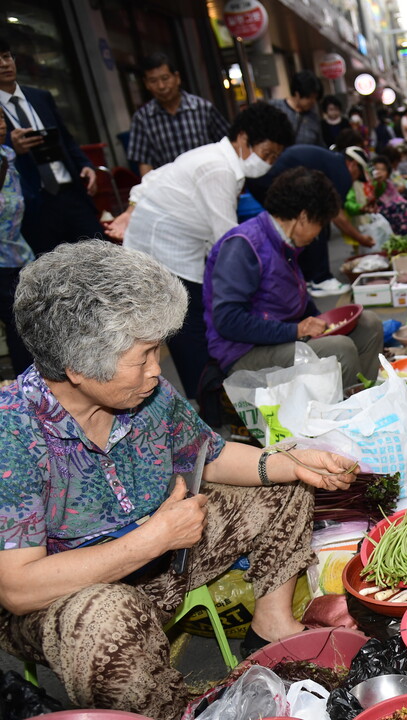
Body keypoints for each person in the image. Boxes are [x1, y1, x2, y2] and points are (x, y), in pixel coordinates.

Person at [0, 239, 360, 720]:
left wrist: (288, 463)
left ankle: (272, 621)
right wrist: (153, 538)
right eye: (144, 355)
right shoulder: (14, 434)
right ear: (79, 368)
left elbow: (207, 454)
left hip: (169, 551)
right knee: (108, 620)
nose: (157, 369)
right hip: (72, 604)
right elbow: (18, 588)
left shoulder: (145, 394)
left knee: (283, 484)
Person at [108, 102, 293, 400]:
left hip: (179, 249)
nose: (268, 162)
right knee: (189, 327)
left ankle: (207, 402)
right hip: (166, 253)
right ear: (244, 138)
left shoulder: (218, 158)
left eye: (274, 157)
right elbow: (229, 240)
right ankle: (205, 406)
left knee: (192, 323)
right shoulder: (217, 168)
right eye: (266, 153)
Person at [205, 168, 384, 387]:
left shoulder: (284, 243)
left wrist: (320, 323)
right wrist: (296, 330)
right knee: (339, 349)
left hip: (284, 336)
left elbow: (297, 302)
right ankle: (345, 414)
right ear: (303, 216)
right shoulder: (244, 245)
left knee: (369, 324)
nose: (318, 234)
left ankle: (364, 394)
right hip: (244, 352)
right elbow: (227, 320)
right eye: (320, 225)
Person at [0, 36, 103, 256]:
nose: (4, 64)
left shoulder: (40, 97)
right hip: (35, 204)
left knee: (101, 258)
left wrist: (85, 165)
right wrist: (11, 146)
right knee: (50, 274)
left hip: (70, 192)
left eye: (6, 56)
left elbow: (66, 140)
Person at [245, 142, 376, 296]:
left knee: (307, 224)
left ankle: (307, 277)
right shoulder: (342, 172)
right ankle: (321, 279)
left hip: (270, 182)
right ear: (353, 164)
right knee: (318, 220)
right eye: (358, 175)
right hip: (274, 183)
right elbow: (336, 215)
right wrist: (360, 238)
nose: (355, 180)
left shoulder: (332, 162)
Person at [126, 52, 230, 176]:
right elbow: (144, 163)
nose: (161, 86)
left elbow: (227, 144)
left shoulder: (202, 108)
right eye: (153, 81)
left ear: (177, 78)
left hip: (210, 180)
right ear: (147, 84)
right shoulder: (142, 118)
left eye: (165, 78)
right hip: (171, 191)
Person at [0, 111, 33, 377]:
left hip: (19, 252)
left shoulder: (9, 157)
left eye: (1, 118)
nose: (1, 125)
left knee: (24, 324)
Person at [269, 70, 324, 146]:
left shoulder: (313, 118)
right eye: (310, 98)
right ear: (297, 94)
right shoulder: (275, 107)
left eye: (315, 98)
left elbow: (319, 144)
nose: (313, 102)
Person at [369, 154, 407, 236]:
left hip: (391, 208)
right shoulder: (371, 184)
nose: (380, 172)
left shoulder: (389, 183)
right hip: (379, 211)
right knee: (402, 207)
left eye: (383, 170)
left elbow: (397, 197)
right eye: (377, 169)